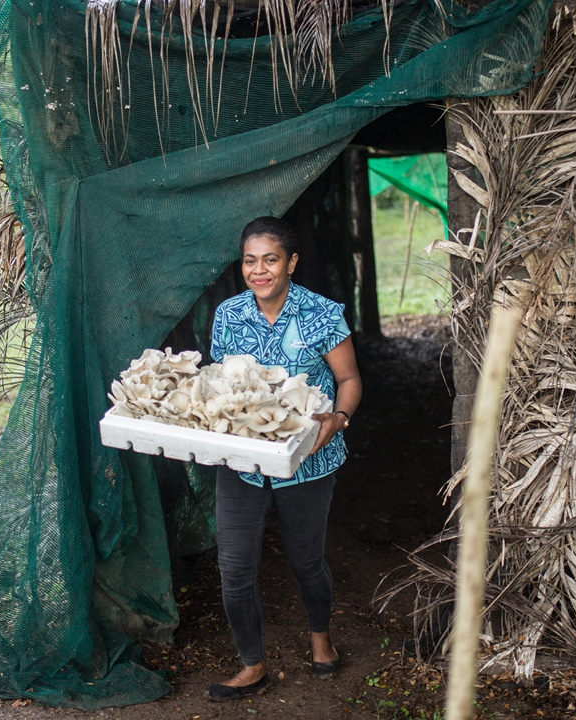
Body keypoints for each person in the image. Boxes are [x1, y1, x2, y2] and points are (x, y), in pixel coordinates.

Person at [205, 216, 363, 701]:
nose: (259, 270)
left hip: (307, 458)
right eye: (250, 261)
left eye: (270, 259)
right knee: (234, 567)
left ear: (290, 263)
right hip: (243, 459)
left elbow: (350, 380)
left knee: (305, 557)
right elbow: (217, 383)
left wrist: (336, 419)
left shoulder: (320, 313)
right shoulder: (229, 315)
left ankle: (321, 640)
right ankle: (252, 666)